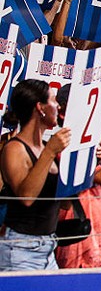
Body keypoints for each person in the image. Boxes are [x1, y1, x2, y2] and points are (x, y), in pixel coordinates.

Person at [0, 80, 72, 270]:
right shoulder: (14, 149)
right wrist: (49, 152)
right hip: (20, 248)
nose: (58, 106)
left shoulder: (48, 147)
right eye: (53, 101)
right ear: (40, 108)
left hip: (48, 247)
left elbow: (65, 203)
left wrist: (86, 163)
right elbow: (26, 197)